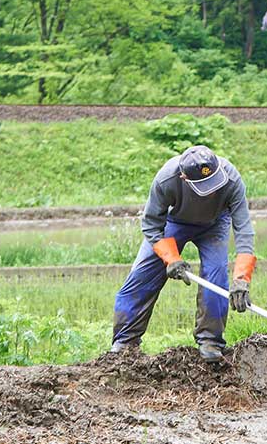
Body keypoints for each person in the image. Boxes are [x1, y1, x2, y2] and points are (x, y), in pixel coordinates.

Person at [110, 145, 257, 361]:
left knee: (216, 275)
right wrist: (172, 259)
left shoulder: (231, 179)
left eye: (213, 183)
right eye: (204, 186)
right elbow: (151, 225)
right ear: (184, 178)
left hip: (214, 224)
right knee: (143, 275)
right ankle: (125, 342)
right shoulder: (166, 180)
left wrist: (242, 279)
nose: (212, 191)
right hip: (174, 222)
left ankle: (210, 341)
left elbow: (244, 229)